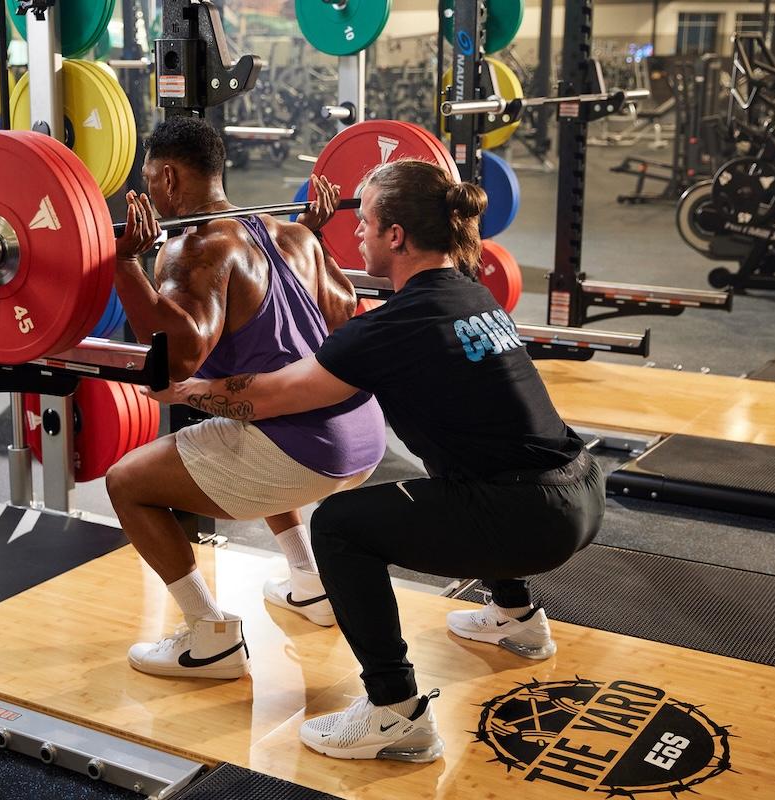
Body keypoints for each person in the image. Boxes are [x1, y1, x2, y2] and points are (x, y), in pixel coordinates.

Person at [149, 158, 606, 762]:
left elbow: (267, 397)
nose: (356, 233)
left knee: (339, 527)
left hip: (527, 519)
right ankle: (516, 617)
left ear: (397, 236)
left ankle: (396, 712)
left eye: (364, 222)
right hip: (582, 491)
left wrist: (179, 393)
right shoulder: (472, 293)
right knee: (459, 455)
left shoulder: (390, 330)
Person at [107, 117, 387, 680]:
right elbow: (342, 310)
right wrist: (317, 236)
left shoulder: (194, 248)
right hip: (364, 438)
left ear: (166, 177)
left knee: (126, 483)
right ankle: (309, 584)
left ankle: (209, 636)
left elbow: (180, 358)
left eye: (148, 181)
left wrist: (124, 265)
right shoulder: (297, 234)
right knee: (238, 431)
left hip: (304, 449)